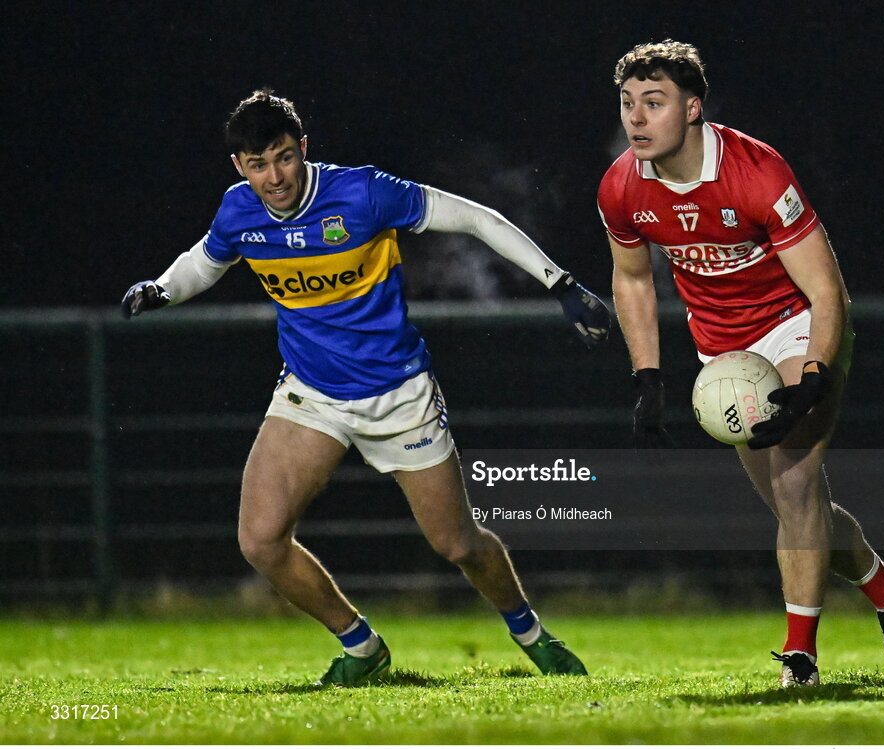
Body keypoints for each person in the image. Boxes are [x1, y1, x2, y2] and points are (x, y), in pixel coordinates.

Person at [121, 89, 608, 686]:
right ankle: (362, 644)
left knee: (457, 545)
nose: (273, 177)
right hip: (312, 393)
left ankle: (531, 633)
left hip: (398, 394)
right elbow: (206, 260)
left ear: (304, 149)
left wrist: (559, 283)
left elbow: (477, 218)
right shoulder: (237, 211)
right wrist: (162, 288)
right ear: (239, 168)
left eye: (282, 158)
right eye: (257, 165)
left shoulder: (364, 192)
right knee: (260, 540)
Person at [599, 41, 884, 686]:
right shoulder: (621, 186)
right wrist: (647, 376)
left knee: (798, 486)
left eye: (654, 103)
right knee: (795, 514)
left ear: (693, 109)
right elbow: (631, 279)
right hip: (724, 352)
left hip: (796, 327)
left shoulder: (756, 173)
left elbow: (827, 291)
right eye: (628, 103)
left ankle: (799, 657)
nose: (636, 118)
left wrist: (814, 376)